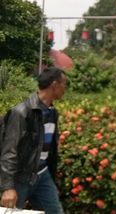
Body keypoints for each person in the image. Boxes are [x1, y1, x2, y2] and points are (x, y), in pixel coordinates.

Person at [0, 67, 66, 214]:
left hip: (42, 174)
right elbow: (9, 151)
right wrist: (7, 187)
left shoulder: (52, 113)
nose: (65, 88)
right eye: (64, 84)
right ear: (54, 85)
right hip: (19, 178)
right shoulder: (21, 112)